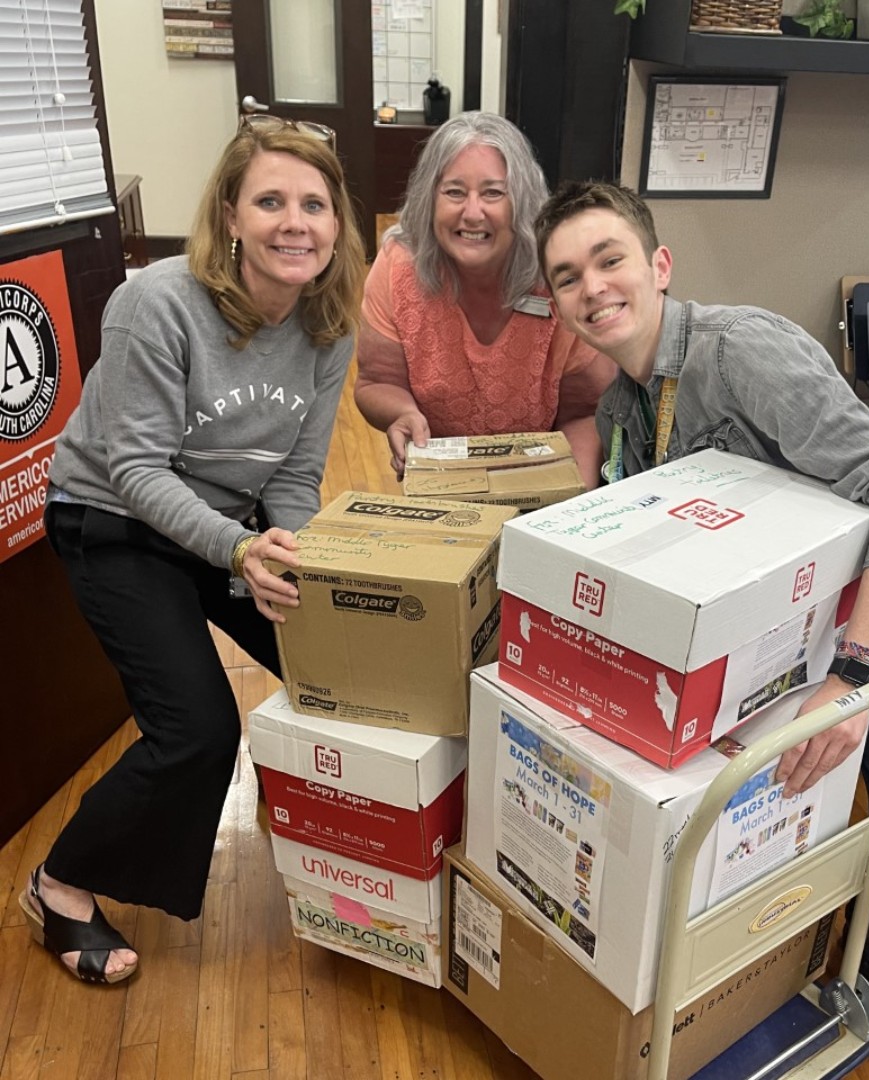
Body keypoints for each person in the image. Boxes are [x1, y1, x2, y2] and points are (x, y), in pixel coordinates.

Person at [535, 181, 869, 1070]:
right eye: (568, 277)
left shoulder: (740, 353)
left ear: (659, 264)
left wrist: (853, 681)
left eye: (610, 260)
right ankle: (763, 957)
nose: (593, 288)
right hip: (780, 638)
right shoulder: (624, 409)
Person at [18, 116, 364, 984]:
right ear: (230, 215)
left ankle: (327, 814)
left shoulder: (328, 322)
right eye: (271, 201)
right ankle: (58, 884)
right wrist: (240, 552)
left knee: (343, 662)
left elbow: (296, 473)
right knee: (199, 730)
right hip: (112, 520)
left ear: (338, 222)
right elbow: (134, 469)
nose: (296, 223)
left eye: (315, 204)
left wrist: (292, 559)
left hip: (227, 524)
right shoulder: (160, 302)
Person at [354, 112, 616, 486]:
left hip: (542, 479)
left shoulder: (560, 273)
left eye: (493, 192)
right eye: (454, 192)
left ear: (522, 201)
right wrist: (402, 413)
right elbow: (376, 382)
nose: (472, 213)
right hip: (444, 480)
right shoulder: (399, 266)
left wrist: (567, 504)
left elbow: (584, 412)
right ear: (429, 198)